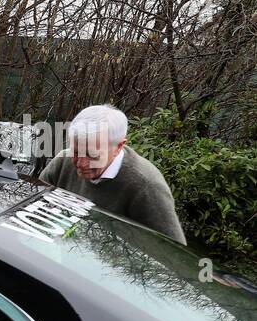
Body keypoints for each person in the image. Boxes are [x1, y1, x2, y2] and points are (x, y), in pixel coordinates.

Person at [41, 104, 187, 244]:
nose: (80, 163)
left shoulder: (146, 187)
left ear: (119, 147)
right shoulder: (62, 162)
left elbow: (173, 253)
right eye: (76, 151)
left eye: (92, 155)